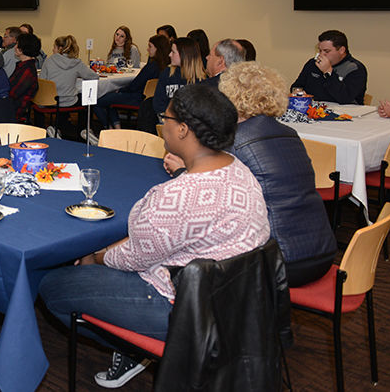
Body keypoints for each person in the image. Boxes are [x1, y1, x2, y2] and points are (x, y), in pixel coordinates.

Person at [39, 83, 270, 388]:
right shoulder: (240, 171)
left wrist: (93, 258)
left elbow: (133, 256)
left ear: (185, 130)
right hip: (238, 300)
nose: (162, 125)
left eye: (167, 119)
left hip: (183, 309)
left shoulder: (177, 195)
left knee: (50, 286)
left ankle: (132, 346)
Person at [164, 61, 336, 286]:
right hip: (322, 252)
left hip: (277, 261)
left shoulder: (233, 142)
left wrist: (181, 172)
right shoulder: (290, 134)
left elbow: (207, 203)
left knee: (174, 250)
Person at [94, 34, 171, 130]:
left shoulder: (152, 66)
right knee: (110, 100)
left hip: (138, 97)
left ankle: (108, 128)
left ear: (157, 49)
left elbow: (135, 85)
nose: (147, 49)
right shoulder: (167, 66)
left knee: (97, 101)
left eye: (150, 46)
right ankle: (116, 129)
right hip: (151, 99)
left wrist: (120, 90)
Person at [290, 29, 367, 105]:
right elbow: (297, 86)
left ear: (341, 50)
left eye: (326, 51)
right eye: (320, 50)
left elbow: (344, 99)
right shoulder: (313, 63)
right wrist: (297, 92)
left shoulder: (355, 69)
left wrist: (328, 72)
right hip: (314, 110)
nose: (321, 55)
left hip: (345, 113)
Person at [146, 36, 206, 132]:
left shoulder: (200, 80)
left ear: (184, 55)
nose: (169, 55)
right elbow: (159, 103)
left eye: (173, 52)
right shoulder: (167, 73)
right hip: (167, 122)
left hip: (191, 127)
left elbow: (200, 111)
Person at [41, 35, 98, 107]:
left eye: (54, 47)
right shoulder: (76, 63)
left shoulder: (49, 61)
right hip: (69, 101)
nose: (52, 50)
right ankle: (84, 118)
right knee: (86, 99)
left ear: (60, 49)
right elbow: (94, 77)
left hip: (51, 101)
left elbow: (41, 81)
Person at [9, 33, 40, 122]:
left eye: (17, 45)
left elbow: (12, 93)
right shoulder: (23, 66)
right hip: (12, 107)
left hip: (15, 112)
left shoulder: (27, 70)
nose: (15, 47)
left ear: (23, 49)